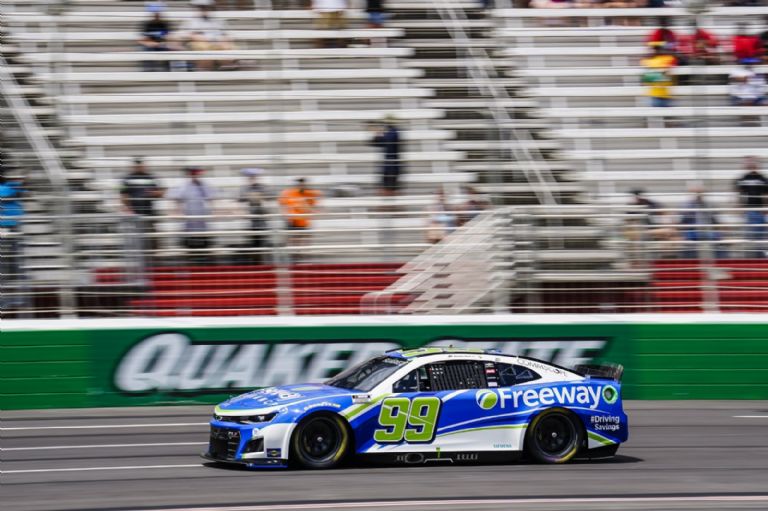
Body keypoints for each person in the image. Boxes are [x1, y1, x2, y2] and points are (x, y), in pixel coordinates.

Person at [168, 167, 217, 260]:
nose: (195, 176)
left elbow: (211, 197)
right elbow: (177, 198)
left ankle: (204, 260)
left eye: (197, 175)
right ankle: (192, 259)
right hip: (189, 218)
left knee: (203, 242)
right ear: (190, 175)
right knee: (190, 242)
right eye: (193, 175)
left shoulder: (203, 185)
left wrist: (214, 210)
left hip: (201, 218)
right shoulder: (184, 186)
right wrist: (177, 211)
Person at [120, 157, 165, 258]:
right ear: (133, 166)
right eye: (137, 166)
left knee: (152, 235)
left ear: (144, 166)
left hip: (149, 211)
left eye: (141, 166)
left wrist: (154, 193)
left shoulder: (151, 177)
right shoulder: (127, 179)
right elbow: (123, 195)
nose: (139, 168)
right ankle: (140, 257)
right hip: (135, 212)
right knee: (138, 236)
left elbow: (161, 192)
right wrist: (127, 208)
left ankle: (154, 257)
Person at [180, 0, 237, 70]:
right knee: (203, 47)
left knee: (227, 47)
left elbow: (226, 34)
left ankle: (226, 70)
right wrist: (201, 38)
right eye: (201, 7)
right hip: (201, 43)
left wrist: (223, 40)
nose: (203, 9)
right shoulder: (190, 20)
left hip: (217, 42)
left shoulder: (218, 19)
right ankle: (205, 71)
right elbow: (187, 35)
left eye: (206, 7)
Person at [279, 178, 320, 259]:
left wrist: (308, 208)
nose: (301, 186)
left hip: (303, 221)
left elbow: (314, 204)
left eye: (303, 184)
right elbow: (282, 202)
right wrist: (285, 213)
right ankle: (294, 255)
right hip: (293, 220)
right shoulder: (290, 193)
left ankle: (302, 255)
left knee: (304, 238)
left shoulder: (309, 194)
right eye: (300, 184)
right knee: (294, 239)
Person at [680, 186, 726, 259]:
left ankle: (720, 261)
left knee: (719, 240)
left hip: (708, 230)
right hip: (693, 230)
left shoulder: (710, 206)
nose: (699, 195)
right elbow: (682, 222)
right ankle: (690, 261)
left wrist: (720, 229)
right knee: (688, 241)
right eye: (696, 193)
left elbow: (715, 221)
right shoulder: (687, 206)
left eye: (700, 193)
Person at [735, 157, 768, 257]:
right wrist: (740, 207)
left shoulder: (763, 178)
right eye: (749, 163)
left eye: (754, 163)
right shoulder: (743, 178)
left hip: (760, 210)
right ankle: (750, 254)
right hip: (749, 209)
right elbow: (740, 193)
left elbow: (766, 194)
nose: (751, 165)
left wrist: (766, 209)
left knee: (761, 233)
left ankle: (760, 255)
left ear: (757, 165)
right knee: (750, 233)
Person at [238, 168, 270, 263]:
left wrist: (262, 198)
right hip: (250, 221)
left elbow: (270, 198)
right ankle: (255, 262)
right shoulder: (244, 188)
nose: (252, 179)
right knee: (253, 244)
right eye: (250, 177)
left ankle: (263, 262)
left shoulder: (263, 187)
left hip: (261, 219)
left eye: (254, 177)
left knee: (262, 242)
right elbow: (240, 200)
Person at [0, 172, 25, 284]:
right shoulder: (13, 187)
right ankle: (16, 273)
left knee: (7, 250)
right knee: (14, 249)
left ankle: (8, 274)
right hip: (13, 223)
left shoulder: (9, 188)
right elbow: (22, 192)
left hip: (5, 224)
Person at [138, 2, 177, 71]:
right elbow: (141, 40)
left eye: (158, 13)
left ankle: (168, 70)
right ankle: (148, 71)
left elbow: (170, 37)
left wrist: (164, 42)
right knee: (146, 49)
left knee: (169, 48)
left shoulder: (165, 24)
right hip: (150, 45)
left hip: (162, 45)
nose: (156, 15)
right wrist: (151, 43)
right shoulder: (146, 24)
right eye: (155, 13)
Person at [370, 116, 404, 196]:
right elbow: (375, 142)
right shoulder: (390, 133)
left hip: (392, 166)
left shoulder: (394, 133)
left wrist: (379, 132)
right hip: (388, 166)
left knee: (390, 189)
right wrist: (378, 133)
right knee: (385, 188)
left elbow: (382, 140)